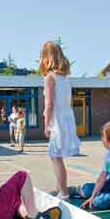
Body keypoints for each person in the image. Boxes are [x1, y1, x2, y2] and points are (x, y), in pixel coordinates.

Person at [40, 41, 81, 196]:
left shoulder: (50, 78)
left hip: (57, 121)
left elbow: (49, 103)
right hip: (66, 118)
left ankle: (63, 192)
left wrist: (46, 125)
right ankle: (60, 189)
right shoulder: (65, 78)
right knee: (56, 157)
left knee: (55, 157)